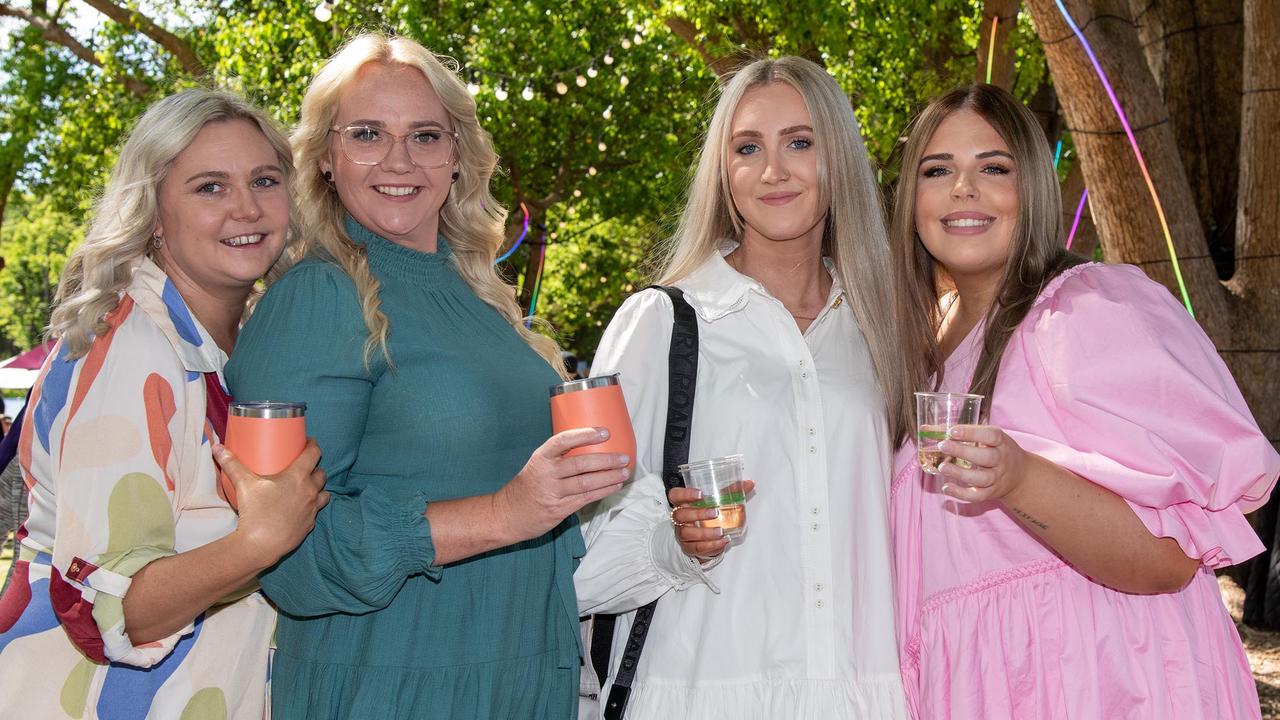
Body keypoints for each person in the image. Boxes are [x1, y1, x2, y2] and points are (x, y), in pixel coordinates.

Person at [224, 33, 628, 719]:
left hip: (523, 682)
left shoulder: (480, 296)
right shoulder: (317, 298)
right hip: (393, 687)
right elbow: (290, 559)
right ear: (325, 156)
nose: (399, 160)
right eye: (367, 134)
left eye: (425, 136)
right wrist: (503, 515)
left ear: (456, 156)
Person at [888, 84, 1280, 719]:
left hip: (1098, 683)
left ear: (1034, 189)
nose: (963, 188)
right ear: (912, 200)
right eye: (938, 170)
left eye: (994, 167)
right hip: (971, 690)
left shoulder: (1088, 310)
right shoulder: (913, 349)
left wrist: (1018, 478)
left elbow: (1169, 561)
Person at [575, 56, 911, 718]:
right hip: (700, 695)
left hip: (860, 698)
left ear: (838, 158)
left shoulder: (885, 331)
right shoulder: (661, 325)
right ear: (723, 176)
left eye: (801, 143)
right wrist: (675, 543)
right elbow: (577, 562)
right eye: (748, 148)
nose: (774, 170)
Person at [0, 89, 329, 719]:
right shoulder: (134, 345)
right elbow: (108, 607)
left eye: (264, 180)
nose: (246, 207)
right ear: (153, 213)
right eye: (210, 187)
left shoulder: (234, 341)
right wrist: (261, 537)